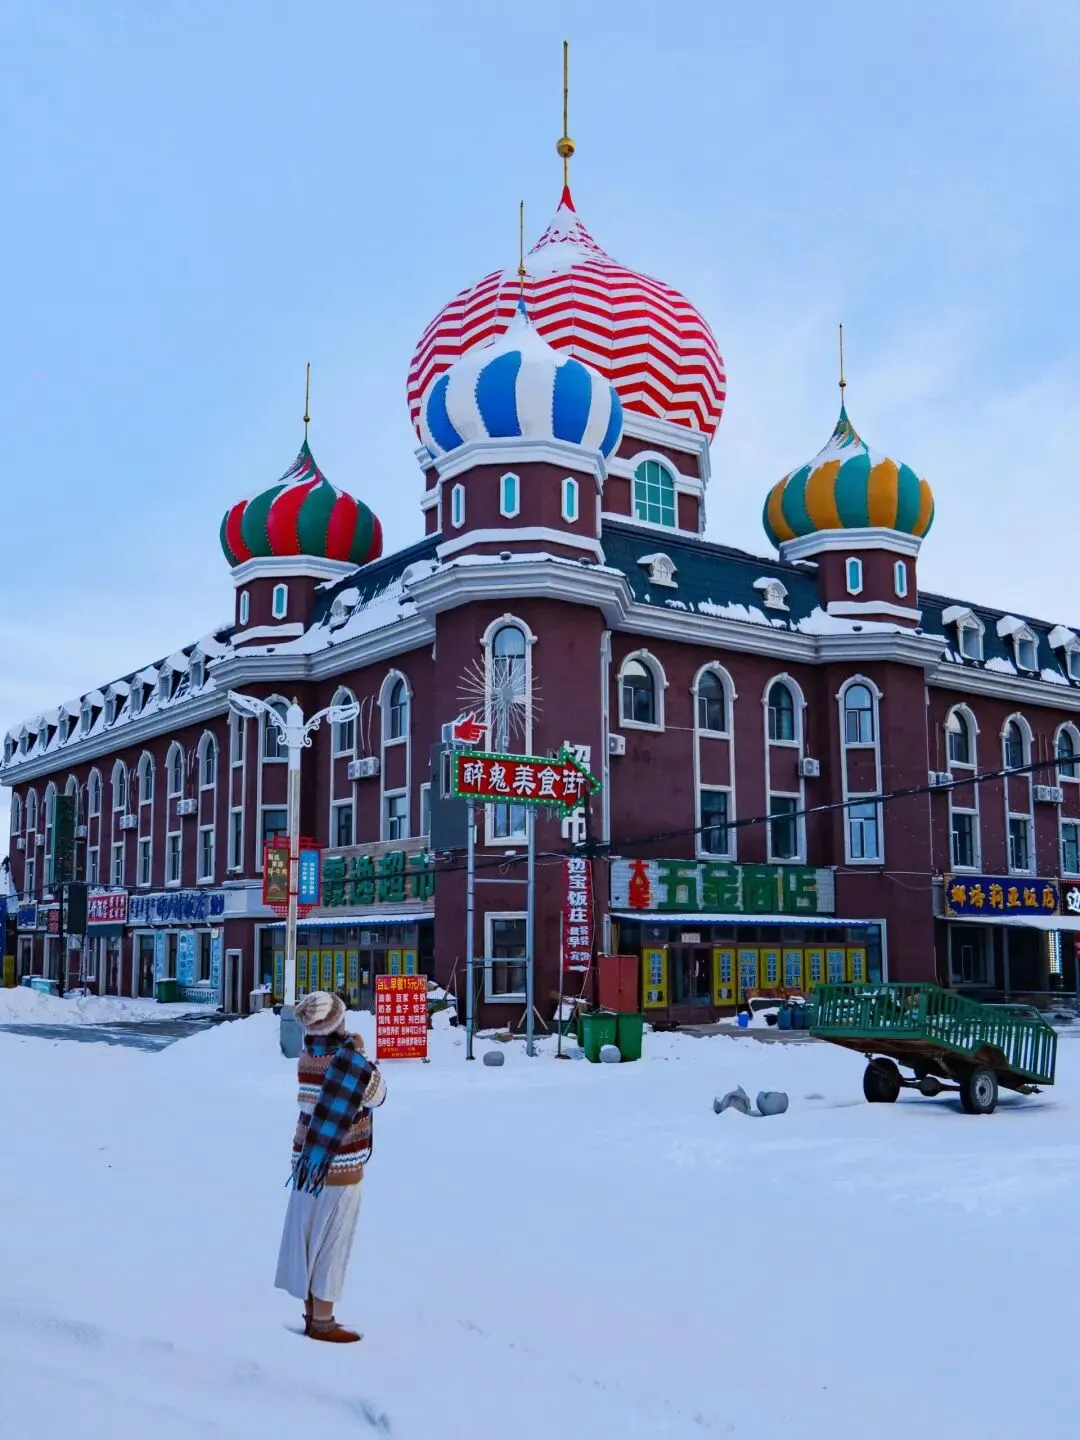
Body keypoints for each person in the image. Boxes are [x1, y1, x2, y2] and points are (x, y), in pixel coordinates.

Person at [274, 989, 386, 1342]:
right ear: (338, 1021)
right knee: (332, 1242)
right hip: (341, 1162)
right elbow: (378, 1094)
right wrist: (361, 1053)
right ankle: (323, 1321)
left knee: (308, 1239)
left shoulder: (307, 1055)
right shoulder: (350, 1061)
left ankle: (311, 1314)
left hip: (307, 1161)